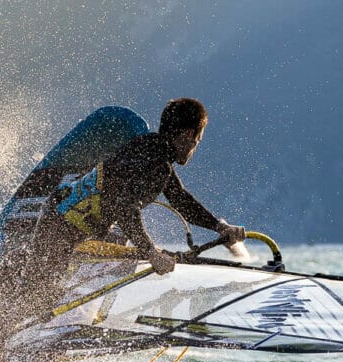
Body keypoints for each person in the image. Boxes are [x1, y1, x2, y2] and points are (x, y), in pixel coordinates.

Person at [20, 97, 245, 287]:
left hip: (60, 221)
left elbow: (180, 199)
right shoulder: (154, 163)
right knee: (39, 294)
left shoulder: (150, 150)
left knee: (45, 289)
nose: (194, 147)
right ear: (187, 134)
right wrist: (150, 253)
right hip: (59, 229)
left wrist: (219, 226)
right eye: (197, 140)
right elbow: (125, 207)